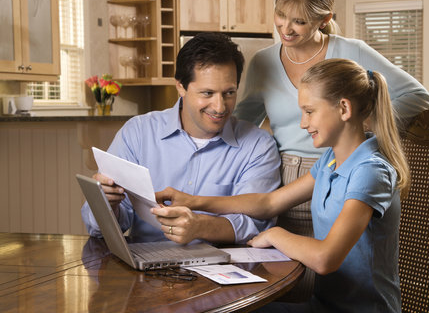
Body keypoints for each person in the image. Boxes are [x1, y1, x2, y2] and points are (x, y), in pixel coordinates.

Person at [233, 0, 429, 300]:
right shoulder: (263, 63)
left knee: (339, 279)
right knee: (289, 289)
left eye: (299, 20)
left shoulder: (351, 52)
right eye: (280, 14)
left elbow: (418, 98)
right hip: (290, 182)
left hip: (340, 173)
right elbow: (241, 126)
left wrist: (364, 126)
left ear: (324, 19)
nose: (286, 27)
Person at [155, 58, 410, 312]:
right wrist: (192, 200)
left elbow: (325, 259)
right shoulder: (330, 161)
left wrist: (275, 235)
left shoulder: (370, 171)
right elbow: (269, 203)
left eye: (309, 111)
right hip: (322, 306)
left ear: (344, 108)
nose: (303, 123)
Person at [81, 32, 281, 244]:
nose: (220, 107)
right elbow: (98, 228)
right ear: (180, 87)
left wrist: (199, 226)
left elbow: (256, 225)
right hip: (146, 270)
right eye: (207, 93)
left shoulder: (258, 146)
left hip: (224, 269)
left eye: (229, 93)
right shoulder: (138, 133)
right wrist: (106, 202)